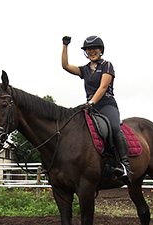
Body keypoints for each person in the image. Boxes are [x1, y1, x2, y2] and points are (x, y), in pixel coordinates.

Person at [61, 35, 131, 183]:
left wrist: (92, 102)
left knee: (114, 127)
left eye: (95, 49)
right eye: (88, 49)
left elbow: (103, 86)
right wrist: (65, 46)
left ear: (101, 50)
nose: (92, 51)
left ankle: (124, 165)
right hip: (90, 106)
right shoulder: (85, 69)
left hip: (106, 104)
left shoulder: (107, 65)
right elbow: (65, 66)